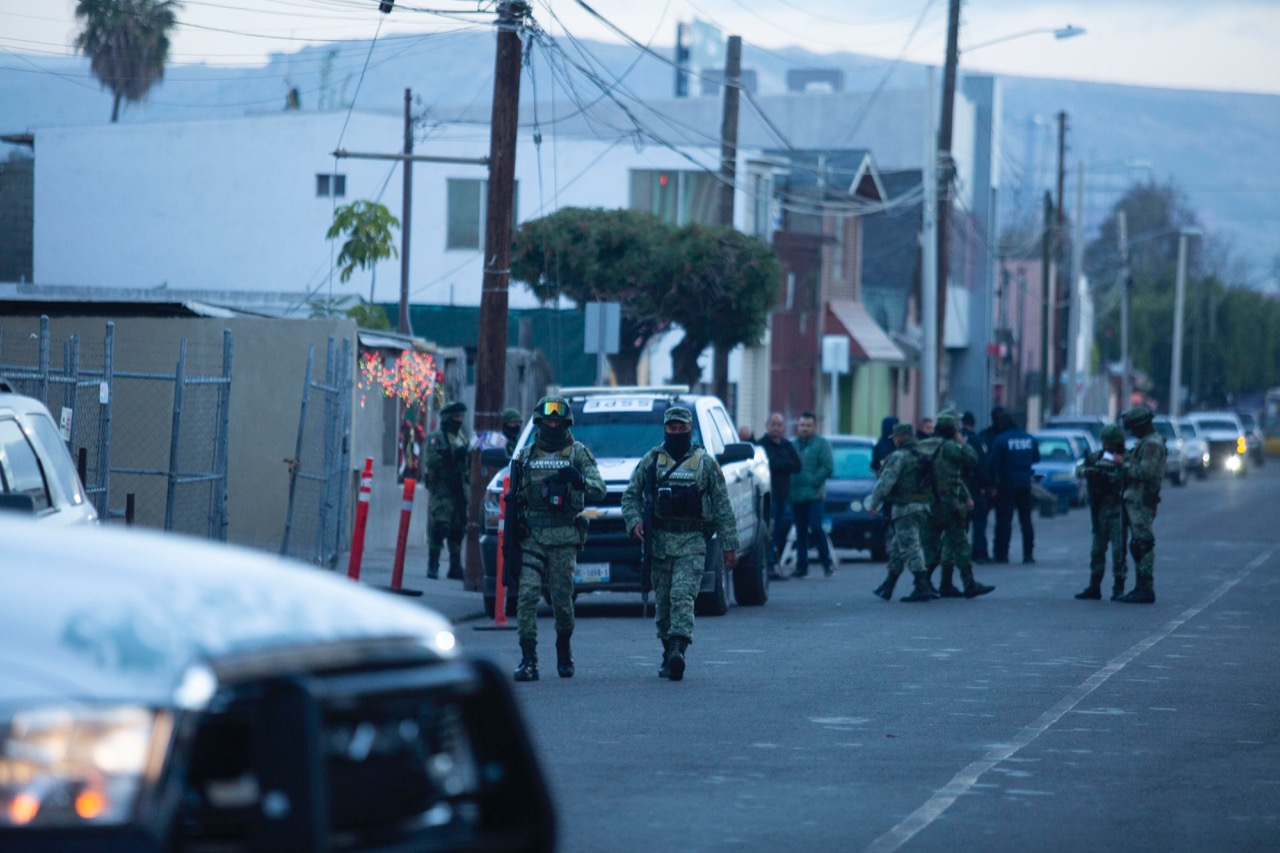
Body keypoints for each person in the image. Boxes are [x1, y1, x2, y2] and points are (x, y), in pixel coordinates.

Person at [622, 406, 739, 681]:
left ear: (690, 429)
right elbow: (630, 496)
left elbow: (722, 506)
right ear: (665, 428)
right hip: (660, 542)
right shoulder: (651, 460)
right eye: (671, 427)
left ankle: (678, 650)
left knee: (682, 596)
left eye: (681, 428)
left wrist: (729, 546)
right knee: (663, 604)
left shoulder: (705, 463)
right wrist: (635, 521)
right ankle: (667, 651)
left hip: (692, 540)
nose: (676, 432)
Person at [510, 396, 606, 681]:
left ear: (565, 423)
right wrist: (516, 526)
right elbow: (514, 497)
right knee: (526, 596)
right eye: (548, 420)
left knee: (562, 602)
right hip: (533, 537)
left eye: (557, 421)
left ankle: (563, 648)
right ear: (540, 422)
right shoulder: (526, 455)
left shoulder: (577, 453)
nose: (553, 424)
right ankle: (529, 659)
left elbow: (599, 490)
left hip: (564, 537)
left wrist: (579, 480)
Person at [920, 410, 995, 598]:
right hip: (948, 503)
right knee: (960, 543)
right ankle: (969, 584)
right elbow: (972, 459)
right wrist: (962, 442)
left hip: (928, 503)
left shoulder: (925, 445)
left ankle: (925, 583)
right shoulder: (951, 447)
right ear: (953, 429)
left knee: (932, 546)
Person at [866, 423, 933, 602]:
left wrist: (875, 502)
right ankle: (888, 585)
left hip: (905, 508)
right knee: (897, 547)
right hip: (922, 506)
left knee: (911, 547)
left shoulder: (898, 456)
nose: (894, 441)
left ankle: (922, 586)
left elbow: (886, 482)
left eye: (895, 438)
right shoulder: (921, 453)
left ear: (900, 437)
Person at [1075, 424, 1129, 601]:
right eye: (1106, 443)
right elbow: (1079, 469)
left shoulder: (1124, 458)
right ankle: (1094, 585)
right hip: (1100, 508)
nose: (1108, 447)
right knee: (1097, 549)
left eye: (1111, 443)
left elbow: (1130, 474)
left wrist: (1112, 476)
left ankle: (1118, 586)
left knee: (1118, 551)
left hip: (1117, 507)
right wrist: (1088, 472)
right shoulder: (1097, 457)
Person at [1118, 406, 1165, 604]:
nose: (1132, 432)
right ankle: (1140, 586)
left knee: (1142, 543)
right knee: (1137, 543)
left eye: (1134, 428)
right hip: (1135, 499)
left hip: (1142, 500)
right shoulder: (1144, 443)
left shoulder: (1152, 444)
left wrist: (1123, 465)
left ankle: (1145, 587)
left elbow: (1145, 472)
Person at [986, 411, 1040, 564]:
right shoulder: (1029, 438)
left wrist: (992, 485)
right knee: (1026, 520)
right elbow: (1036, 458)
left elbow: (993, 465)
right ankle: (1028, 555)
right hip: (1025, 483)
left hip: (1006, 484)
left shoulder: (1001, 440)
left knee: (1004, 520)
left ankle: (1002, 554)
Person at [425, 401, 470, 580]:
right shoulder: (437, 437)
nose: (459, 420)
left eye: (461, 417)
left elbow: (466, 462)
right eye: (456, 417)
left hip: (459, 487)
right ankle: (433, 564)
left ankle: (455, 566)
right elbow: (430, 460)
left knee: (457, 529)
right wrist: (449, 455)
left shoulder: (461, 437)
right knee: (440, 527)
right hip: (442, 487)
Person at [789, 412, 834, 578]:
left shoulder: (821, 444)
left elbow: (828, 466)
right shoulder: (792, 444)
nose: (804, 428)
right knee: (800, 532)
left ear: (814, 427)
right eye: (802, 425)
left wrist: (814, 481)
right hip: (795, 495)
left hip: (815, 494)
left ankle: (826, 562)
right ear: (798, 426)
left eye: (808, 425)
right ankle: (802, 566)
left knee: (816, 527)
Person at [757, 412, 801, 580]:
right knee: (769, 529)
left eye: (779, 425)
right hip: (769, 497)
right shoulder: (761, 445)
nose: (776, 428)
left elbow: (797, 465)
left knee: (780, 530)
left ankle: (775, 562)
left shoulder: (787, 445)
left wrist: (779, 464)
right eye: (773, 425)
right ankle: (768, 564)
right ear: (767, 426)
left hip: (784, 495)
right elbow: (768, 465)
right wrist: (782, 465)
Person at [974, 406, 1005, 560]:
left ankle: (984, 553)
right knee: (990, 521)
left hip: (993, 485)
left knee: (985, 522)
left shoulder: (985, 436)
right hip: (996, 485)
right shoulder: (1003, 435)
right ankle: (997, 553)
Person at [961, 411, 991, 562]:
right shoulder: (977, 440)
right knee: (979, 521)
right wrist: (985, 485)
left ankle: (959, 553)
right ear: (973, 423)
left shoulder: (955, 440)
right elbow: (983, 464)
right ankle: (979, 553)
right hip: (974, 485)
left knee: (960, 524)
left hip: (957, 486)